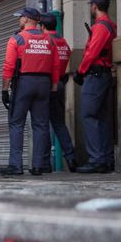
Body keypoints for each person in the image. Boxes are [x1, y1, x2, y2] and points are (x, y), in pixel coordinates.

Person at [0, 7, 60, 176]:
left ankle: (16, 165)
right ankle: (38, 166)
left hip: (24, 83)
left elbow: (9, 66)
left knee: (16, 122)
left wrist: (5, 89)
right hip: (44, 84)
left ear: (26, 20)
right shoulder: (49, 41)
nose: (19, 20)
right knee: (41, 125)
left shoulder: (17, 39)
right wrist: (54, 89)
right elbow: (55, 66)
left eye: (21, 18)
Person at [73, 0, 116, 174]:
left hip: (96, 75)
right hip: (104, 75)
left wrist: (80, 71)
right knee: (103, 118)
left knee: (89, 116)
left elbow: (91, 53)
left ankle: (97, 159)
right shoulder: (111, 25)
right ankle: (106, 159)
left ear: (95, 6)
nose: (90, 7)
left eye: (91, 5)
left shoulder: (100, 27)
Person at [38, 12, 76, 173]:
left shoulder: (46, 41)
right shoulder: (63, 42)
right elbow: (66, 58)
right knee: (59, 123)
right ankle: (71, 158)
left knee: (42, 123)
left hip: (48, 83)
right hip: (60, 82)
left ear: (43, 26)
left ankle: (45, 162)